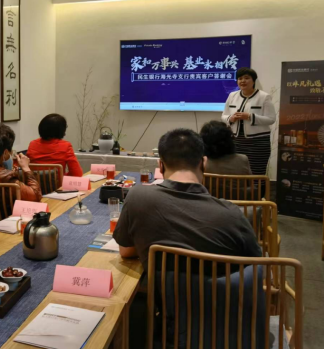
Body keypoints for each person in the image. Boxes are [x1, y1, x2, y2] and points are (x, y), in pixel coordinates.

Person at [114, 128, 262, 274]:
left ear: (161, 165)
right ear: (204, 163)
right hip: (217, 290)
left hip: (158, 289)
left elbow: (126, 251)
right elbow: (257, 266)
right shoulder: (232, 215)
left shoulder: (137, 197)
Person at [221, 68, 276, 175]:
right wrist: (231, 118)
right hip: (236, 141)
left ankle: (257, 187)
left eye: (246, 78)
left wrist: (250, 116)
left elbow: (271, 119)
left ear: (253, 81)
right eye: (240, 78)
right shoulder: (232, 95)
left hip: (258, 142)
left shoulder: (264, 97)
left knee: (256, 172)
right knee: (236, 172)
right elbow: (224, 116)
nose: (243, 81)